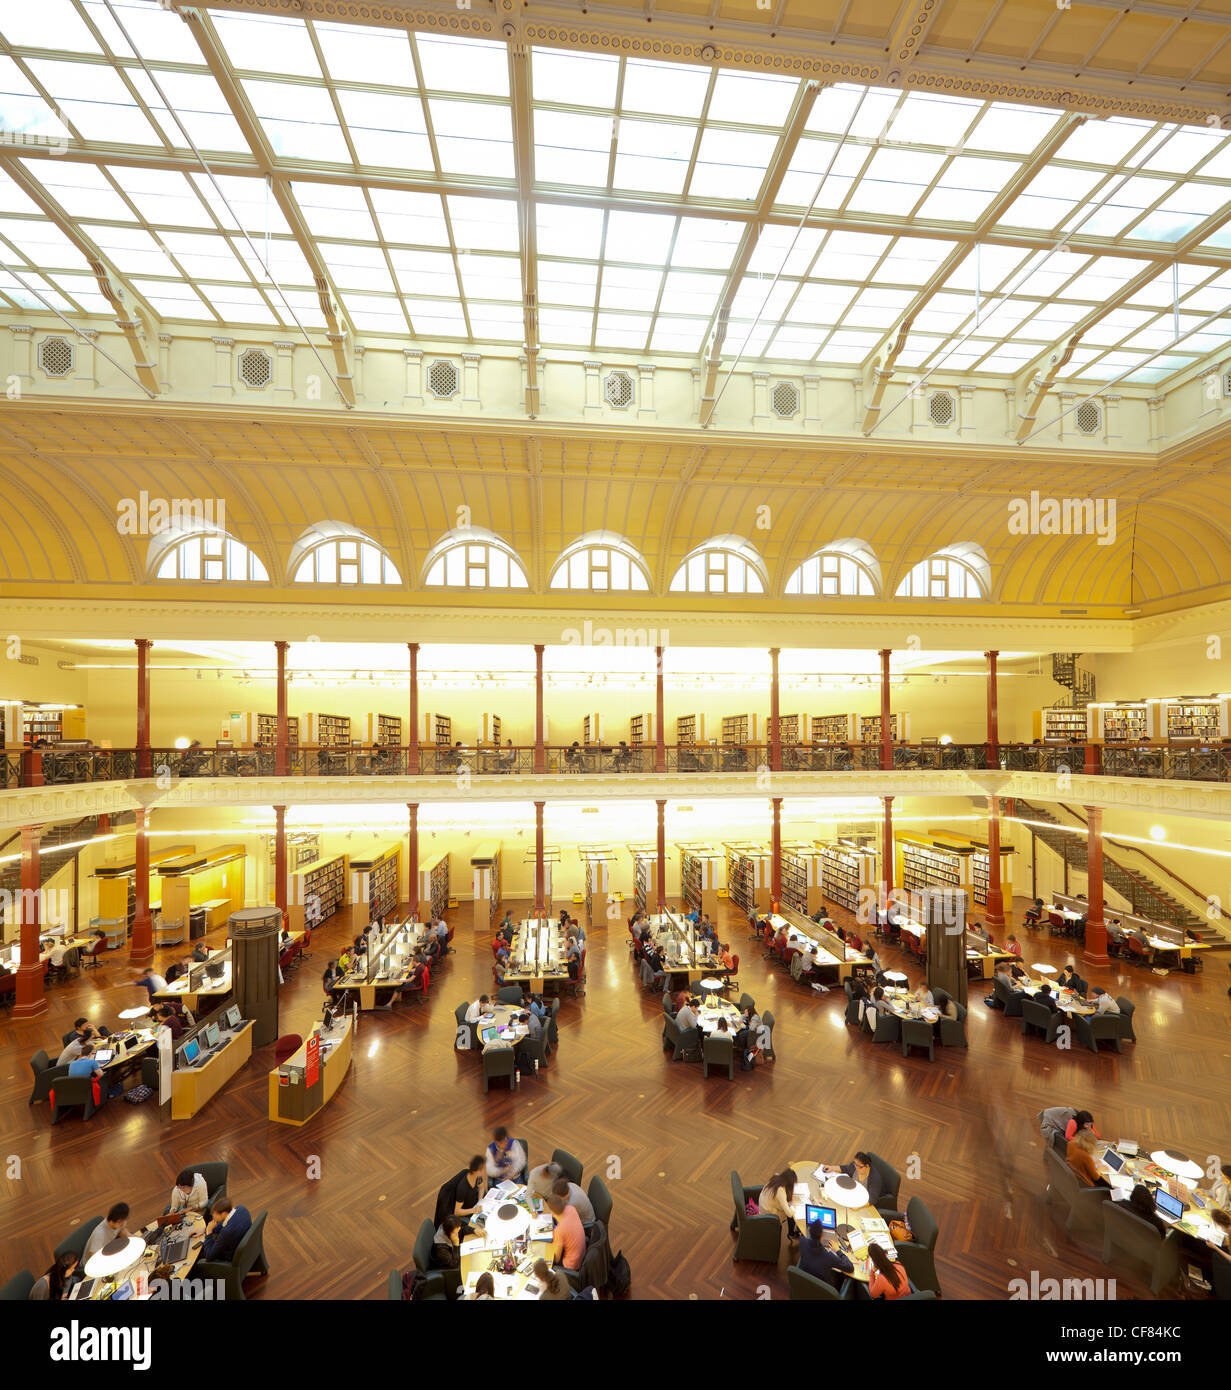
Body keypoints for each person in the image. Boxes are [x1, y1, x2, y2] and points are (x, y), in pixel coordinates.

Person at [798, 1220, 854, 1289]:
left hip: (806, 1282)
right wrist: (838, 1251)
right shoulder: (828, 1256)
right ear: (822, 1236)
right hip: (825, 1289)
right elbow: (850, 1268)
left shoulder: (802, 1241)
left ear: (809, 1232)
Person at [438, 1156, 486, 1232]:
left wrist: (480, 1201)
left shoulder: (478, 1177)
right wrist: (473, 1210)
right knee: (483, 1227)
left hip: (476, 1207)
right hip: (468, 1212)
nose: (484, 1171)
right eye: (482, 1169)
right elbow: (457, 1212)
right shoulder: (463, 1188)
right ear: (475, 1171)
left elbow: (481, 1188)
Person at [201, 1195, 252, 1262]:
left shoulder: (227, 1231)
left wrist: (209, 1232)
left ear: (224, 1213)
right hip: (247, 1247)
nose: (214, 1218)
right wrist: (206, 1229)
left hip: (231, 1256)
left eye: (215, 1215)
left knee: (199, 1253)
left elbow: (209, 1256)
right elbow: (224, 1223)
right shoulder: (242, 1209)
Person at [757, 1168, 801, 1240]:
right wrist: (794, 1205)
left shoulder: (776, 1176)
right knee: (792, 1213)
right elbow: (789, 1213)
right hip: (769, 1214)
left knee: (790, 1207)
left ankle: (792, 1232)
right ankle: (792, 1233)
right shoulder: (780, 1190)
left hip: (764, 1205)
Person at [546, 1192, 586, 1272]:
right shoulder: (571, 1208)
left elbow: (557, 1259)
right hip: (582, 1254)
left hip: (571, 1265)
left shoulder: (559, 1231)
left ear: (552, 1212)